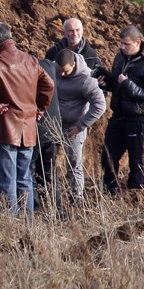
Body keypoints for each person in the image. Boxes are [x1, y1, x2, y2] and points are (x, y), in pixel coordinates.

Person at [0, 22, 55, 216]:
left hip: (5, 128)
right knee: (24, 179)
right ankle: (27, 224)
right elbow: (49, 85)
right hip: (28, 129)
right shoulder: (30, 60)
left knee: (6, 181)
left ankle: (11, 225)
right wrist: (39, 108)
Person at [96, 25, 144, 193]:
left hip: (137, 117)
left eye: (126, 44)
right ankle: (110, 191)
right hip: (118, 115)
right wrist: (107, 83)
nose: (122, 47)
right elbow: (118, 85)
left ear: (138, 43)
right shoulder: (119, 58)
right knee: (108, 156)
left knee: (135, 158)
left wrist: (128, 84)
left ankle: (135, 192)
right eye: (121, 44)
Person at [54, 49, 106, 203]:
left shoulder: (86, 78)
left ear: (74, 64)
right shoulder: (51, 69)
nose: (62, 75)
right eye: (59, 71)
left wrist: (80, 125)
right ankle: (49, 197)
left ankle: (76, 199)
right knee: (46, 161)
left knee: (74, 163)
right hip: (53, 123)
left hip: (74, 125)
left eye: (66, 71)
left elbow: (100, 105)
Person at [31, 55, 63, 217]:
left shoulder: (31, 72)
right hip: (52, 130)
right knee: (49, 173)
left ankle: (35, 209)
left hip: (36, 130)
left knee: (29, 172)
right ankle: (57, 211)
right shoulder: (49, 68)